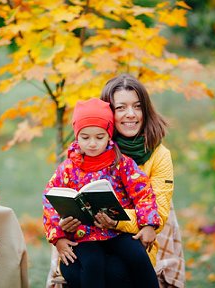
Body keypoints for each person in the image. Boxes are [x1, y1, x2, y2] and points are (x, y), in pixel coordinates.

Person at [59, 74, 185, 288]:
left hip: (133, 241)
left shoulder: (158, 155)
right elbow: (59, 195)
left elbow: (158, 215)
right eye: (121, 108)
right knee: (74, 268)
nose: (131, 114)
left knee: (115, 272)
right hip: (88, 240)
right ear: (108, 113)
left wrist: (116, 220)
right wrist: (61, 226)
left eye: (137, 107)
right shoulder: (91, 144)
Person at [43, 98, 161, 288]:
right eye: (85, 137)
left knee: (137, 255)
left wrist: (148, 224)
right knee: (92, 264)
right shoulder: (67, 168)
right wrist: (59, 237)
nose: (92, 144)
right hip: (84, 235)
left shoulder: (121, 162)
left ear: (109, 136)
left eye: (99, 137)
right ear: (76, 136)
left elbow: (143, 192)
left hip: (115, 230)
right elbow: (49, 202)